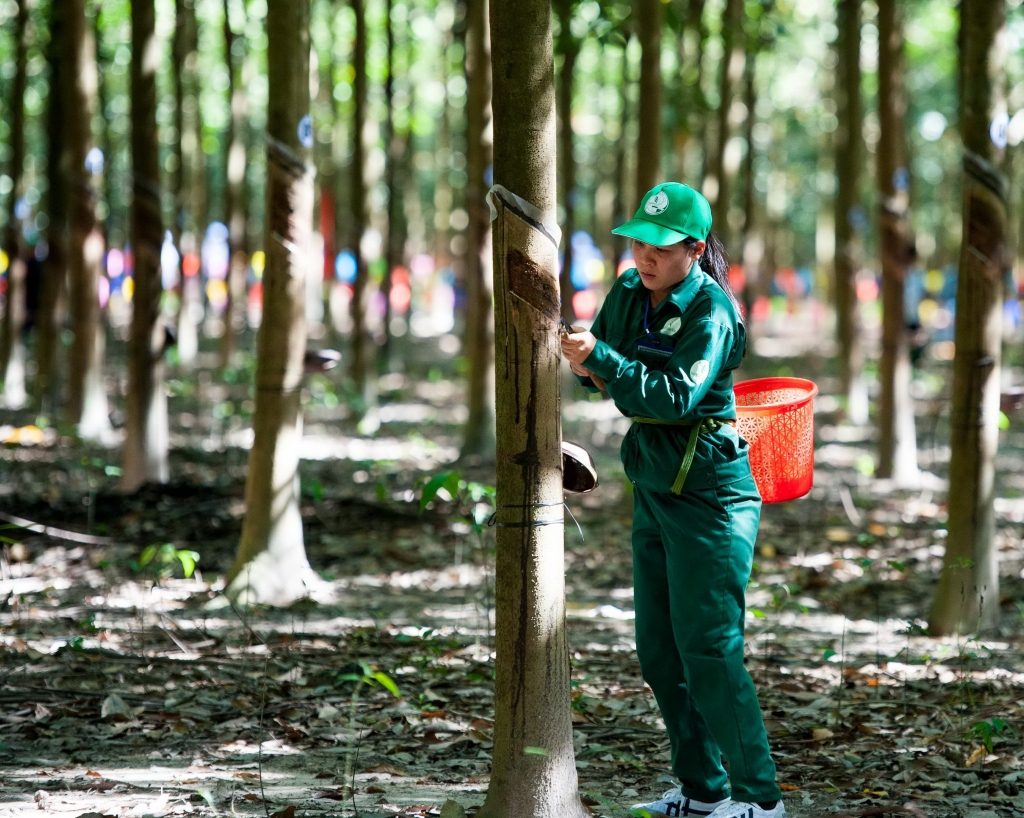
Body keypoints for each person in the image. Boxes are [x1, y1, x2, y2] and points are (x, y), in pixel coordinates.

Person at [560, 183, 785, 818]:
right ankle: (702, 789)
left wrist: (601, 358)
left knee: (710, 645)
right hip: (655, 483)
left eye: (659, 245)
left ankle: (759, 800)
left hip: (711, 491)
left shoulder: (712, 311)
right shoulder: (630, 292)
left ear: (693, 248)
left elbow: (674, 397)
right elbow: (599, 370)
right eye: (637, 242)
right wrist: (587, 360)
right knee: (660, 650)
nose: (644, 255)